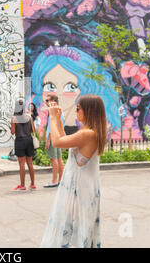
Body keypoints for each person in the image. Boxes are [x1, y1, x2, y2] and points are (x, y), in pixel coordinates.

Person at [40, 94, 107, 248]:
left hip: (80, 190)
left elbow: (57, 142)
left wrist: (53, 117)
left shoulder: (87, 134)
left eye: (78, 108)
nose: (76, 111)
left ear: (88, 111)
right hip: (82, 189)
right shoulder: (89, 132)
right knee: (77, 230)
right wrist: (57, 118)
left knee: (73, 230)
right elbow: (63, 139)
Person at [11, 98, 36, 191]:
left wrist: (14, 124)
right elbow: (33, 130)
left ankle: (22, 185)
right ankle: (33, 184)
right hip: (29, 140)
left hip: (20, 141)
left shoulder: (14, 118)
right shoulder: (29, 117)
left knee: (21, 164)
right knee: (30, 163)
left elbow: (12, 132)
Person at [44, 94, 64, 188]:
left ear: (53, 101)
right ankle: (60, 180)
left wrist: (48, 140)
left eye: (48, 100)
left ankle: (54, 180)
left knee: (54, 159)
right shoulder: (59, 111)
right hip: (58, 137)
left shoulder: (53, 112)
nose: (46, 103)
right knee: (59, 159)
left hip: (53, 138)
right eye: (46, 101)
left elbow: (52, 127)